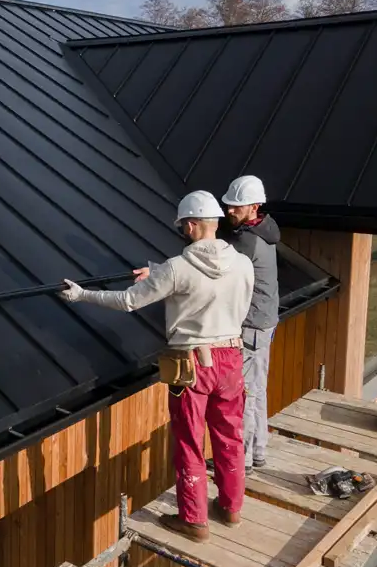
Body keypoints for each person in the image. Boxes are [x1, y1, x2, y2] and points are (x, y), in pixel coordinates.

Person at [58, 190, 254, 543]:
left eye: (183, 226)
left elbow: (130, 300)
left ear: (192, 225)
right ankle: (231, 508)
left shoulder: (179, 269)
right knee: (230, 436)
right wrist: (160, 272)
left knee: (191, 441)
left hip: (193, 363)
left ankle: (194, 521)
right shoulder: (243, 262)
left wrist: (81, 295)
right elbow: (211, 286)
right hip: (232, 359)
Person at [218, 175, 280, 475]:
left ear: (254, 207)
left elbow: (217, 266)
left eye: (236, 207)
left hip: (253, 326)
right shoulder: (263, 230)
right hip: (263, 322)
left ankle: (241, 463)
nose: (229, 211)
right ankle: (257, 453)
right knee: (257, 388)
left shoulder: (248, 241)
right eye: (228, 205)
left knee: (245, 393)